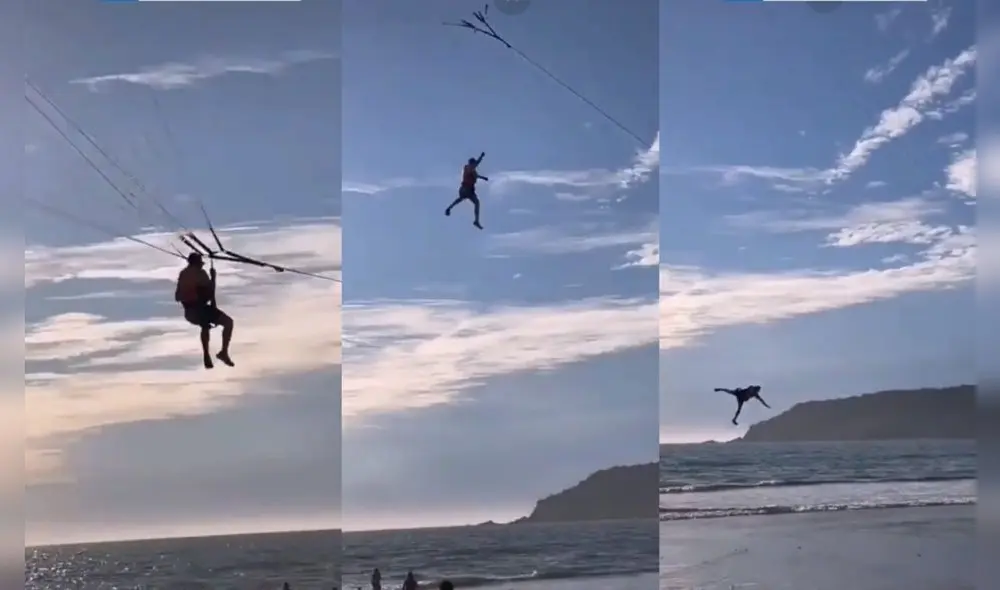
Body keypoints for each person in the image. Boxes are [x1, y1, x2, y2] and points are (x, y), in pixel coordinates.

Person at [174, 252, 235, 369]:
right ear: (197, 263)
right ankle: (221, 352)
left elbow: (177, 296)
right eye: (201, 263)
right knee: (228, 322)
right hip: (198, 309)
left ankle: (209, 354)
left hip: (189, 313)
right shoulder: (200, 273)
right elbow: (211, 292)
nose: (202, 265)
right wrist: (213, 278)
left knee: (205, 325)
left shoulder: (183, 274)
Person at [445, 151, 488, 229]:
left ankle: (476, 221)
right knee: (462, 198)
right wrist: (481, 157)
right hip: (465, 189)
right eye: (474, 164)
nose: (475, 166)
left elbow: (476, 174)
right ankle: (449, 208)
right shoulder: (468, 167)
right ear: (471, 163)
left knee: (475, 202)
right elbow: (475, 166)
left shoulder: (472, 169)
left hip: (470, 190)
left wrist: (483, 178)